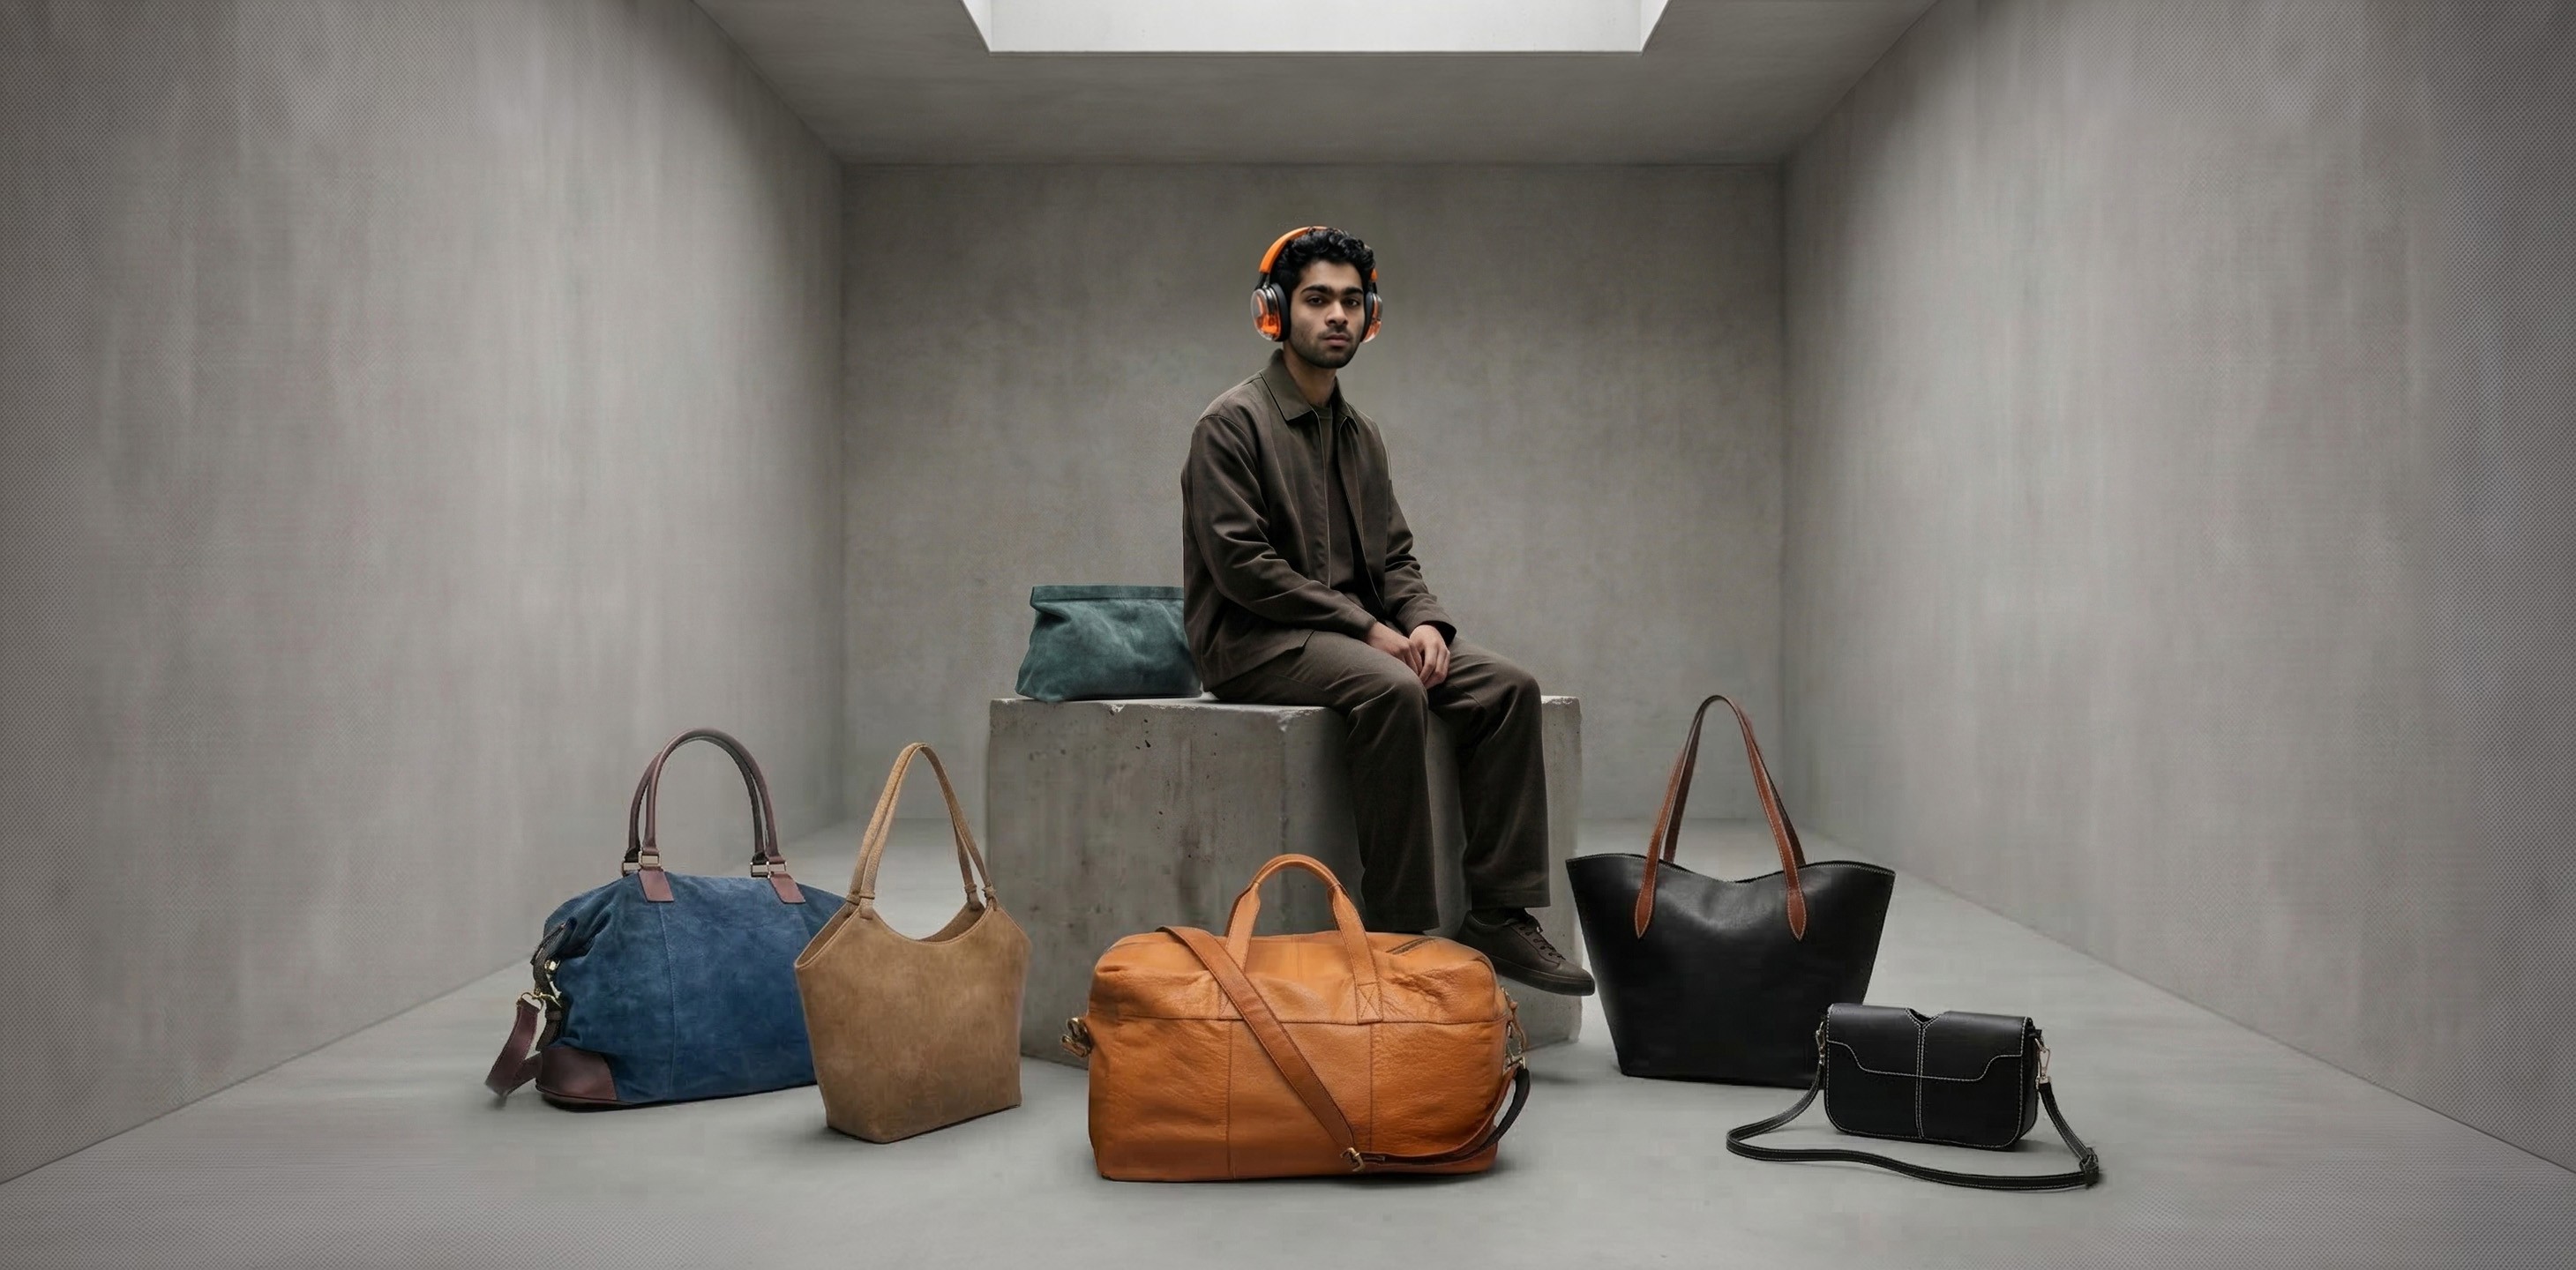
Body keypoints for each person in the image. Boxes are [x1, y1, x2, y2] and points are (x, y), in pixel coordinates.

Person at [1179, 225, 1592, 997]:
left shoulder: (1360, 436)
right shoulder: (1229, 425)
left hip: (1352, 636)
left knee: (1508, 689)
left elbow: (1395, 558)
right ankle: (1400, 934)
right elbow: (1243, 567)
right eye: (1316, 300)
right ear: (1275, 313)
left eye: (1350, 301)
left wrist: (1425, 623)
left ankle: (1498, 913)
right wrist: (1369, 629)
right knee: (1392, 687)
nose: (1336, 315)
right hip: (1252, 639)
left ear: (1370, 317)